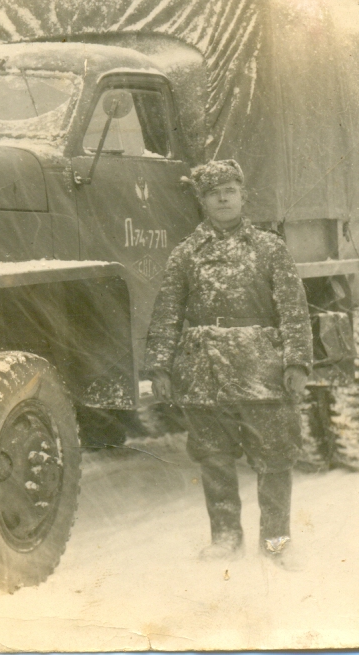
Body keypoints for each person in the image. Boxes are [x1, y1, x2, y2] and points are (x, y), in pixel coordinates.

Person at [145, 159, 313, 569]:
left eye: (229, 191)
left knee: (274, 459)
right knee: (213, 458)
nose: (223, 199)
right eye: (213, 193)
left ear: (242, 196)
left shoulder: (270, 249)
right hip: (205, 371)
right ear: (202, 202)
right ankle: (225, 537)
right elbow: (167, 313)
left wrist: (297, 363)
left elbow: (293, 311)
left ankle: (276, 542)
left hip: (262, 368)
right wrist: (160, 367)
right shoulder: (186, 254)